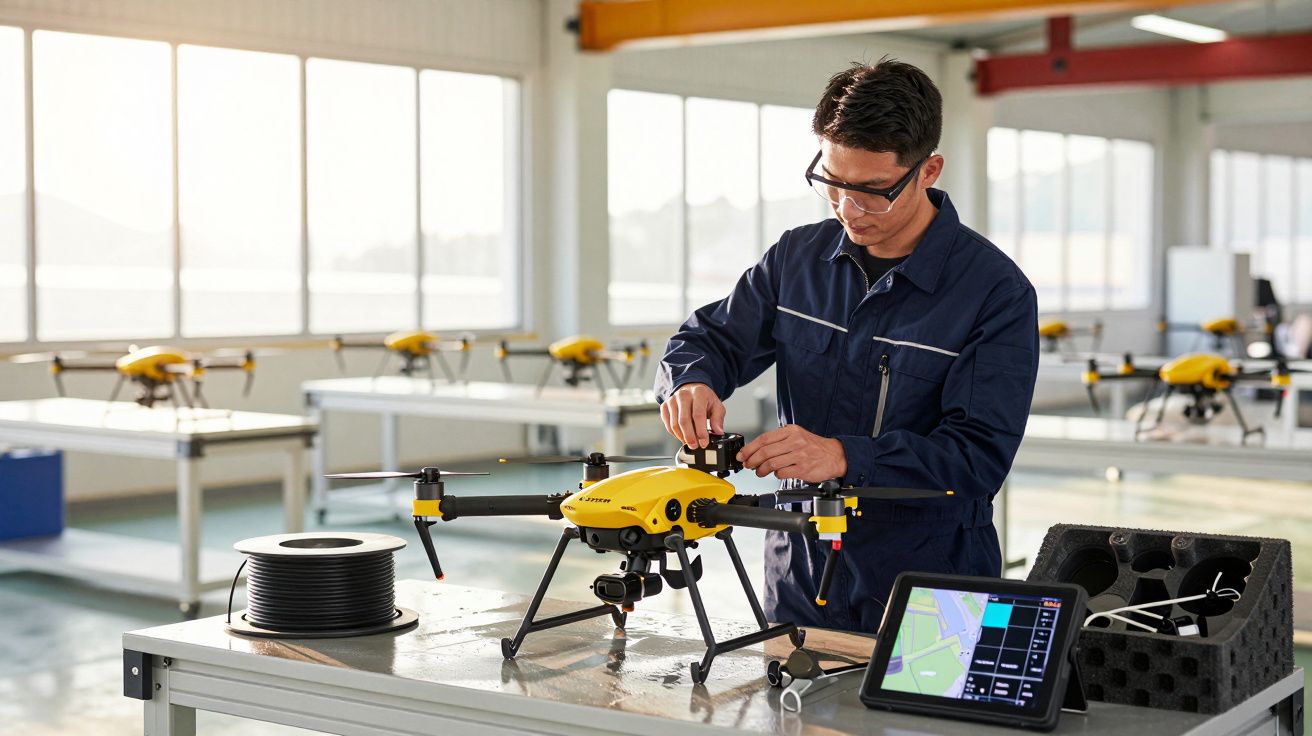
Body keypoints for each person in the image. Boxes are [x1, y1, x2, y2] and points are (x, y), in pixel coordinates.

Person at [654, 59, 1039, 633]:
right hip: (799, 569)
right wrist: (689, 380)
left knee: (930, 698)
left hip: (929, 578)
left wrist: (846, 457)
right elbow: (708, 337)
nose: (847, 209)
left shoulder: (994, 293)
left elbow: (978, 457)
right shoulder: (796, 259)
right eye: (832, 183)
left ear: (929, 170)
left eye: (874, 191)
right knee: (791, 692)